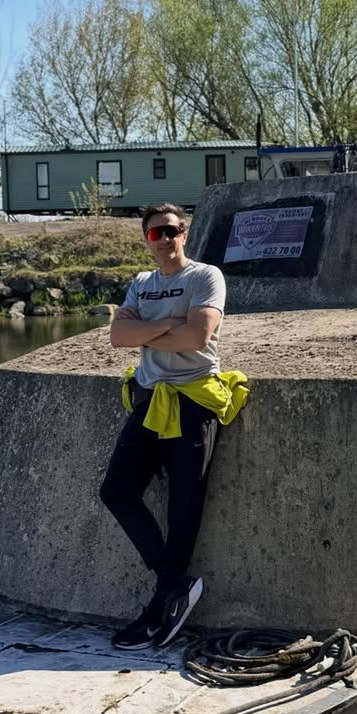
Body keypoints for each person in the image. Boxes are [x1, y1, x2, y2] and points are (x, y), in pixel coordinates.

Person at [101, 201, 244, 650]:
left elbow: (198, 336)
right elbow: (118, 337)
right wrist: (171, 325)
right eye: (155, 233)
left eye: (172, 230)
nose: (165, 239)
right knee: (116, 491)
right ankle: (174, 584)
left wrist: (148, 327)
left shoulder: (205, 277)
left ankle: (161, 603)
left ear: (185, 234)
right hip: (149, 400)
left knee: (184, 509)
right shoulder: (142, 283)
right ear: (146, 240)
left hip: (192, 401)